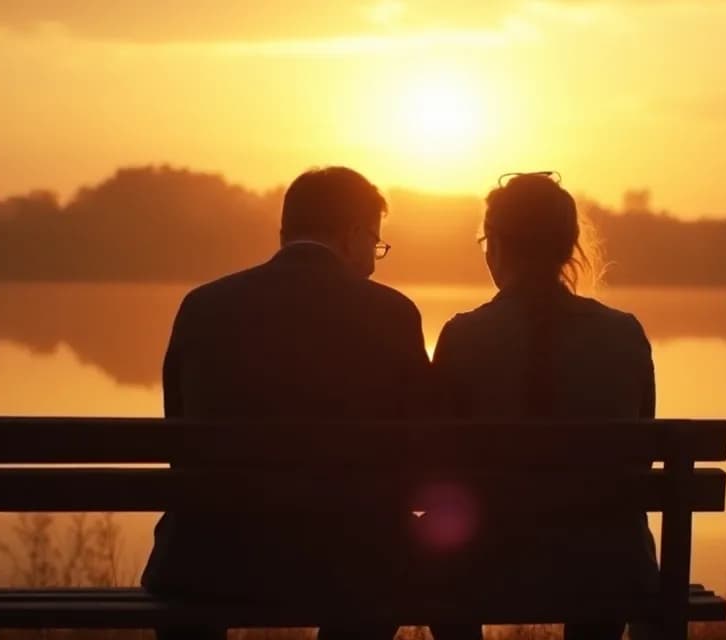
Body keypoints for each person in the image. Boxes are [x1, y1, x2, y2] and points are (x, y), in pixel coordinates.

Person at [141, 166, 429, 640]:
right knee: (377, 565)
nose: (374, 264)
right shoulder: (392, 314)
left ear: (284, 233)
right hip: (350, 568)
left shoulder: (203, 307)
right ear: (352, 233)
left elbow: (180, 441)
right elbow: (419, 449)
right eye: (375, 243)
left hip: (210, 563)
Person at [427, 172, 660, 640]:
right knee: (611, 531)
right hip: (607, 566)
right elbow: (641, 455)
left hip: (482, 564)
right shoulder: (624, 334)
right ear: (569, 244)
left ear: (495, 246)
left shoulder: (462, 337)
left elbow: (436, 462)